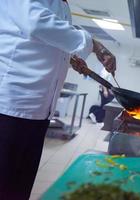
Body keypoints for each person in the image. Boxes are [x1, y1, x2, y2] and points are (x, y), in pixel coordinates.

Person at [0, 0, 116, 199]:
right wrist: (94, 45)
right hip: (11, 106)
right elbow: (35, 23)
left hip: (39, 111)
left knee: (19, 186)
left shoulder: (62, 5)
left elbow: (43, 44)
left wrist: (69, 59)